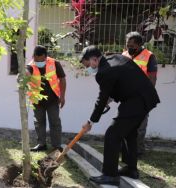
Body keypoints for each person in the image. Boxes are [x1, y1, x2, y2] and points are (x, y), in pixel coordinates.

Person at [79, 46, 160, 186]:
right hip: (146, 97)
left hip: (135, 101)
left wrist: (90, 121)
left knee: (112, 134)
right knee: (129, 133)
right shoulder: (116, 58)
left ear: (94, 59)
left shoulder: (104, 72)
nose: (89, 69)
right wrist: (107, 100)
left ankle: (110, 175)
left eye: (87, 65)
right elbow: (121, 83)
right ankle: (131, 169)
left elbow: (102, 98)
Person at [122, 31, 158, 156]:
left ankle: (138, 151)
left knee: (140, 126)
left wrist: (148, 96)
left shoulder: (149, 56)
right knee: (125, 124)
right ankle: (126, 150)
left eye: (131, 46)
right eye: (127, 45)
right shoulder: (125, 54)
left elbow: (153, 77)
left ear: (139, 45)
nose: (129, 48)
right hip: (127, 96)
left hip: (142, 96)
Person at [27, 45, 66, 152]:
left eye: (41, 59)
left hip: (52, 99)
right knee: (39, 123)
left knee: (55, 122)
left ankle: (56, 146)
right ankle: (41, 144)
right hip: (37, 100)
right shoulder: (30, 66)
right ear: (33, 56)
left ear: (45, 56)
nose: (38, 61)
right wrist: (22, 76)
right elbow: (26, 73)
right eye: (36, 58)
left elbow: (62, 79)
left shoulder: (54, 63)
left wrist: (62, 96)